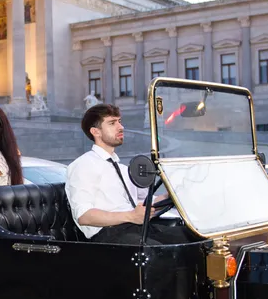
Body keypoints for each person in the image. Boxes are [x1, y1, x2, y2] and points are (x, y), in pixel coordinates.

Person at [65, 104, 189, 245]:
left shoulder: (122, 168)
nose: (121, 127)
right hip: (107, 237)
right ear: (95, 132)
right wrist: (131, 216)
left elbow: (143, 205)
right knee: (158, 250)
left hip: (135, 228)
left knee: (192, 236)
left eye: (120, 121)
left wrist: (171, 195)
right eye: (112, 123)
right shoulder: (83, 165)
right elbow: (84, 216)